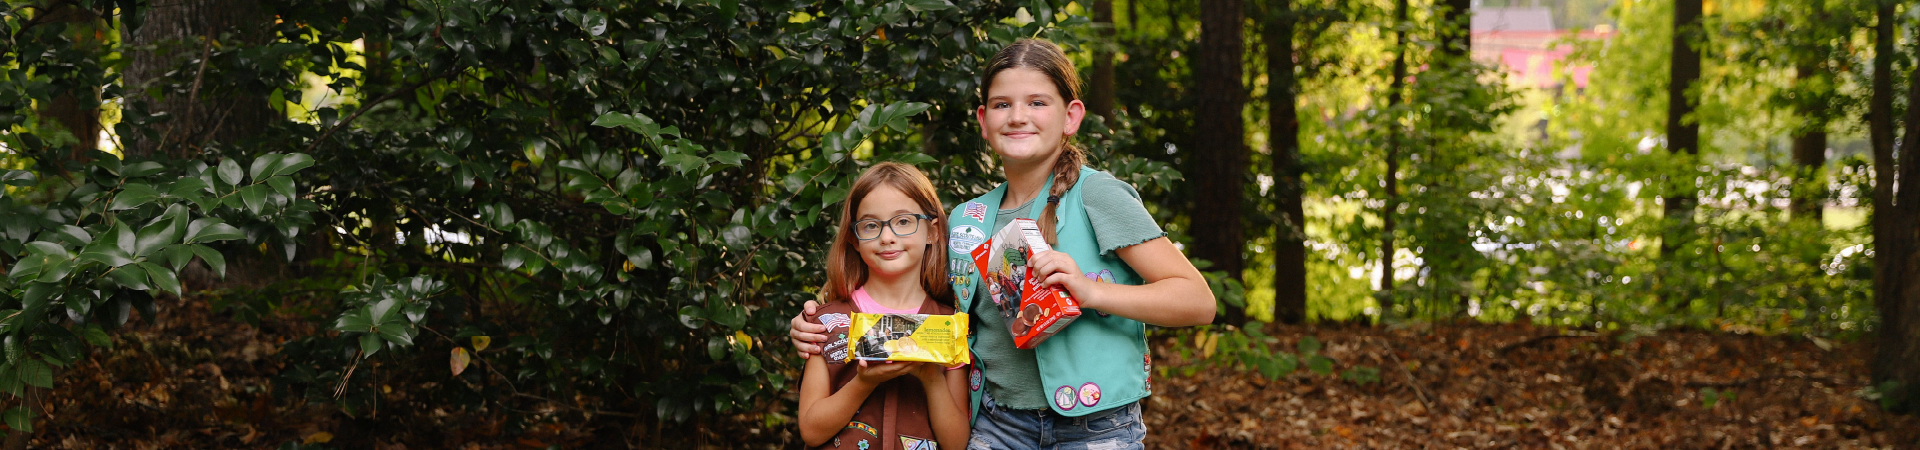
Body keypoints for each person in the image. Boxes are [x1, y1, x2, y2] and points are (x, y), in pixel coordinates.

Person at [792, 39, 1216, 449]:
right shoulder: (966, 219)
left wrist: (1092, 292)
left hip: (1097, 426)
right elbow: (927, 306)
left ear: (1071, 116)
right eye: (1002, 104)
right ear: (983, 120)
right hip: (996, 424)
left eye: (1037, 102)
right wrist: (821, 323)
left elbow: (1197, 301)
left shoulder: (1097, 196)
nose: (1017, 116)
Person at [798, 162, 971, 450]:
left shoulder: (950, 324)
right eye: (870, 225)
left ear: (933, 231)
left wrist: (932, 379)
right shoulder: (824, 322)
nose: (887, 236)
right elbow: (811, 431)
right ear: (854, 238)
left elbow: (956, 443)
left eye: (903, 221)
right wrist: (863, 382)